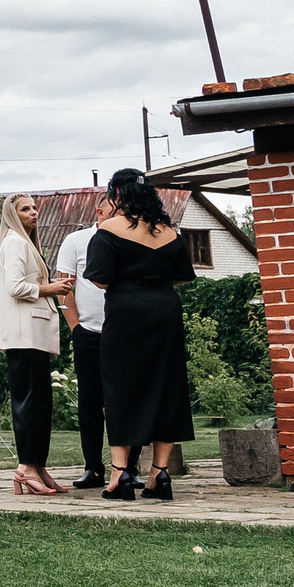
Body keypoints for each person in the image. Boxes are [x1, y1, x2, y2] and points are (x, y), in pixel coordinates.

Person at [84, 168, 197, 501]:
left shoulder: (108, 230)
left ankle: (120, 474)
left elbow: (100, 279)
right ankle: (159, 474)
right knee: (167, 385)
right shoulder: (170, 233)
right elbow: (183, 277)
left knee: (121, 386)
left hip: (126, 313)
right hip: (165, 310)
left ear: (117, 195)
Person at [0, 194, 73, 496]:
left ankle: (38, 465)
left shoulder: (25, 242)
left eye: (34, 207)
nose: (34, 212)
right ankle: (26, 467)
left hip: (34, 335)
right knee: (29, 402)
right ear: (13, 215)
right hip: (23, 334)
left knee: (40, 403)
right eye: (26, 209)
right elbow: (14, 286)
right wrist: (49, 288)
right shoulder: (14, 242)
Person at [51, 195, 111, 488]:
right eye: (117, 207)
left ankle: (129, 467)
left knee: (124, 400)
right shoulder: (76, 240)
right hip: (88, 332)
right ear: (100, 210)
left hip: (123, 333)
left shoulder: (129, 239)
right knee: (90, 402)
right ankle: (93, 468)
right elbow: (64, 288)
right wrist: (75, 327)